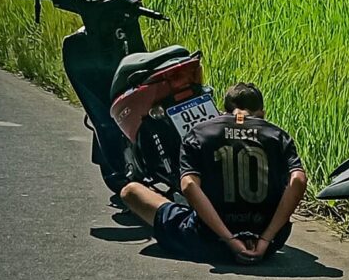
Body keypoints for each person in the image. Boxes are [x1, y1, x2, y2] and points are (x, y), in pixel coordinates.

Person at [119, 82, 307, 264]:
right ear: (262, 113)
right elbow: (298, 180)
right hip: (266, 244)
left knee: (130, 191)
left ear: (223, 111)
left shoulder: (199, 133)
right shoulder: (279, 136)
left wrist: (230, 240)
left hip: (207, 241)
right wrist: (266, 239)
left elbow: (189, 185)